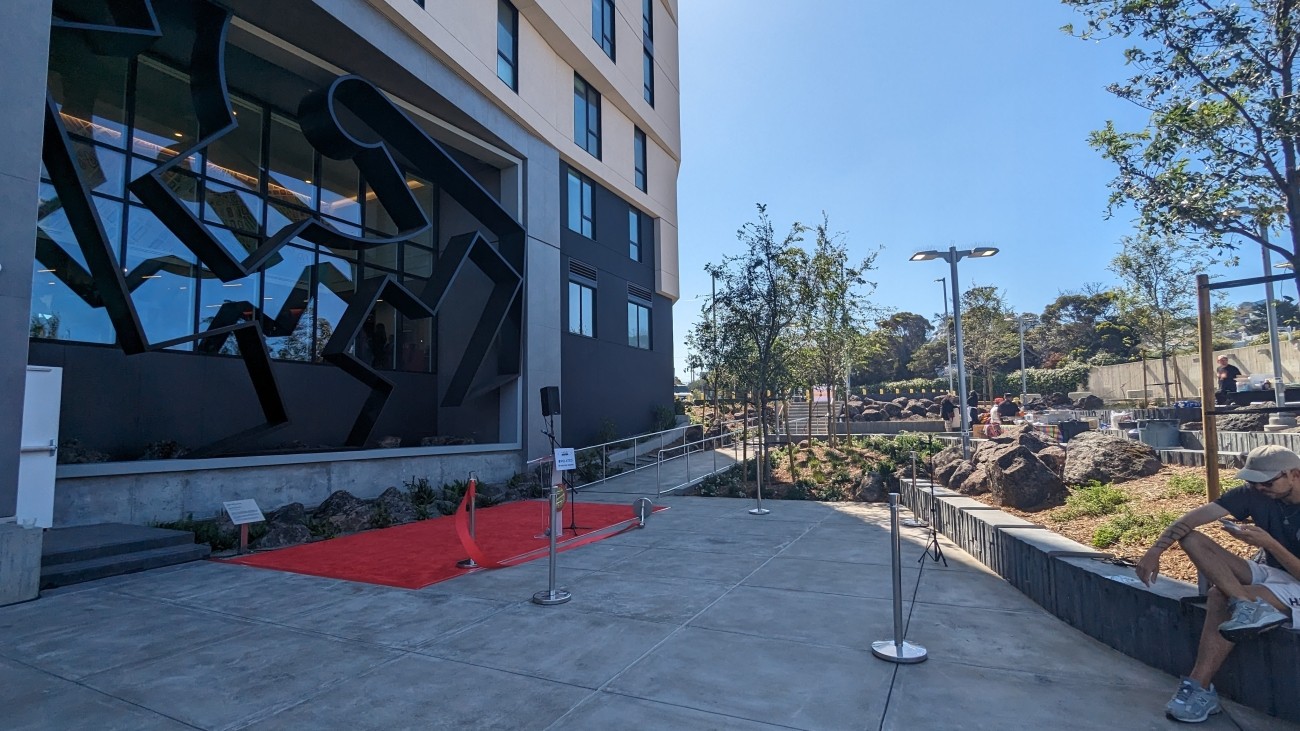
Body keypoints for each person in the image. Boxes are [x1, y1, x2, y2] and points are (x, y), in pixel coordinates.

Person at [1136, 445, 1300, 723]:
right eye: (1253, 482)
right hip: (1275, 571)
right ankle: (1247, 605)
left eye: (1267, 483)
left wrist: (1269, 543)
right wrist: (1155, 550)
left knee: (1218, 596)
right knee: (1191, 538)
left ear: (1294, 474)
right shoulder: (1254, 493)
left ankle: (1198, 686)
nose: (1260, 489)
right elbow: (1191, 520)